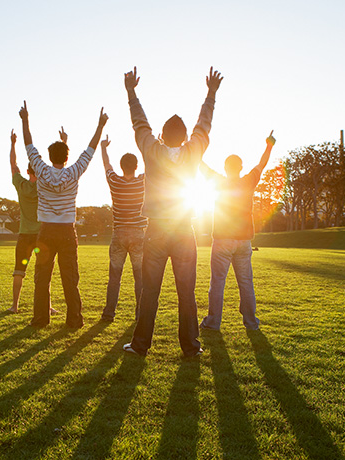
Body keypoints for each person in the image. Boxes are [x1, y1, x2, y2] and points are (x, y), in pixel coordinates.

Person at [122, 66, 223, 357]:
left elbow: (140, 125)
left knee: (149, 292)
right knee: (185, 292)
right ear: (184, 136)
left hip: (156, 230)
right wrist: (211, 93)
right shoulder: (193, 153)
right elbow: (204, 126)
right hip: (183, 230)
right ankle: (191, 347)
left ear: (163, 135)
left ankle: (140, 346)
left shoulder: (153, 151)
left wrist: (131, 91)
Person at [19, 101, 108, 328]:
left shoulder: (40, 169)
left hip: (46, 231)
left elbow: (28, 144)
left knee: (42, 278)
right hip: (68, 231)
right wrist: (100, 125)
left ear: (49, 157)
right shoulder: (74, 171)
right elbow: (90, 150)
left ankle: (40, 320)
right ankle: (74, 320)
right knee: (70, 278)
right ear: (67, 158)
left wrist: (25, 119)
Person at [200, 131, 276, 331]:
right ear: (241, 167)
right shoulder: (248, 181)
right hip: (243, 242)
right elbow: (262, 163)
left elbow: (200, 165)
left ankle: (213, 322)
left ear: (225, 168)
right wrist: (269, 146)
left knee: (217, 283)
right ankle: (251, 323)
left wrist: (191, 147)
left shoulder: (218, 181)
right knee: (246, 283)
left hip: (222, 241)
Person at [7, 128, 58, 316]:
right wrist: (63, 142)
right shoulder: (44, 186)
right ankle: (48, 306)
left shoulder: (21, 185)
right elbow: (55, 171)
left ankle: (14, 306)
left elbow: (13, 165)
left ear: (28, 171)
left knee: (19, 271)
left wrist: (13, 143)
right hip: (42, 236)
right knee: (44, 273)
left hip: (24, 236)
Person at [99, 135, 147, 322]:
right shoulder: (142, 181)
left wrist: (104, 148)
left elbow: (106, 165)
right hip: (138, 234)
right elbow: (152, 164)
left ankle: (109, 313)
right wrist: (152, 145)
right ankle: (139, 314)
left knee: (114, 277)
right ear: (136, 167)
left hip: (118, 234)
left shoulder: (115, 182)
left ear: (121, 167)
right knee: (140, 278)